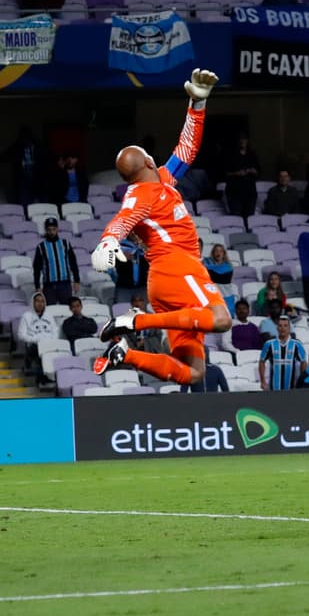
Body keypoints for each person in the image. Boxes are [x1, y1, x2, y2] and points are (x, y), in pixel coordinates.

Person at [91, 69, 231, 387]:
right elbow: (124, 217)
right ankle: (136, 321)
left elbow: (187, 149)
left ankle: (125, 355)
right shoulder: (142, 193)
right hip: (178, 266)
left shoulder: (161, 181)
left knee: (194, 372)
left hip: (163, 282)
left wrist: (196, 104)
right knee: (222, 319)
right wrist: (108, 240)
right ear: (150, 161)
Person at [32, 218, 80, 305]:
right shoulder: (41, 247)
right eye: (49, 230)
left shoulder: (66, 244)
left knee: (67, 310)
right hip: (49, 286)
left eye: (53, 229)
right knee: (51, 311)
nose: (51, 232)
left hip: (65, 284)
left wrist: (77, 280)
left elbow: (73, 263)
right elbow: (36, 268)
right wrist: (37, 286)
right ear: (46, 230)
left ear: (57, 229)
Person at [16, 292, 56, 380]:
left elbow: (55, 332)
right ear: (33, 303)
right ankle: (41, 378)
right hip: (34, 344)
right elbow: (21, 335)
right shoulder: (26, 316)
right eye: (37, 301)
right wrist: (35, 339)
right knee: (40, 354)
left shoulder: (49, 316)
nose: (40, 304)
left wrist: (50, 340)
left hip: (49, 344)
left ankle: (51, 377)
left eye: (42, 301)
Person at [258, 315, 305, 391]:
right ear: (277, 328)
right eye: (280, 326)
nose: (283, 328)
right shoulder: (269, 344)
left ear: (289, 328)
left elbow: (303, 362)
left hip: (292, 388)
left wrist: (301, 380)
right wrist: (263, 380)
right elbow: (262, 361)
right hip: (274, 388)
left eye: (285, 326)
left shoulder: (297, 344)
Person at [223, 136, 260, 218]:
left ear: (247, 141)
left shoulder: (252, 155)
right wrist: (236, 173)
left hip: (250, 192)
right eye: (241, 139)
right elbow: (224, 174)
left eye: (245, 139)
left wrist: (253, 171)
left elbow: (259, 172)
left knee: (249, 218)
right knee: (236, 218)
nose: (243, 141)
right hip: (235, 193)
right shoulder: (230, 155)